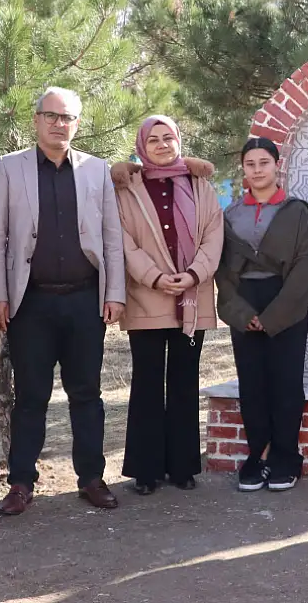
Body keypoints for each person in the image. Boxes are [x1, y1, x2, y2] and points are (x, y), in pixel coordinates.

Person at [0, 86, 127, 515]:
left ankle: (91, 477)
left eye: (67, 117)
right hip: (31, 303)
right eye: (51, 115)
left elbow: (112, 238)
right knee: (31, 396)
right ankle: (21, 482)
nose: (58, 124)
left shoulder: (97, 170)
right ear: (36, 120)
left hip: (86, 301)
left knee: (87, 394)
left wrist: (115, 293)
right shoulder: (10, 168)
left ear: (77, 123)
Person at [111, 116, 223, 495]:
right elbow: (124, 243)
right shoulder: (127, 189)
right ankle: (146, 470)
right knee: (146, 383)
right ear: (142, 146)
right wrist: (156, 278)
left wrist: (193, 275)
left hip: (193, 297)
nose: (162, 144)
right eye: (154, 139)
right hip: (146, 298)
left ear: (179, 140)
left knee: (184, 382)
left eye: (169, 137)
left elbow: (213, 236)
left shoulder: (201, 186)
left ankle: (182, 467)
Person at [216, 137, 308, 493]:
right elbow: (224, 271)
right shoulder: (230, 214)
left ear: (277, 165)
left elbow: (305, 266)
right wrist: (243, 313)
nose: (257, 170)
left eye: (264, 163)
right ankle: (256, 455)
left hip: (286, 301)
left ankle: (286, 457)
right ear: (243, 169)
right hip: (244, 301)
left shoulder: (296, 212)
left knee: (286, 382)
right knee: (252, 383)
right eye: (250, 164)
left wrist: (273, 316)